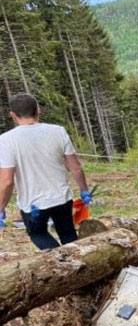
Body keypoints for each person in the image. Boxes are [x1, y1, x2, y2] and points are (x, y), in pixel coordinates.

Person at [0, 94, 92, 250]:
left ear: (12, 115)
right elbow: (75, 167)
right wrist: (84, 191)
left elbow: (7, 180)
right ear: (38, 110)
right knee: (68, 233)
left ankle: (61, 262)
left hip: (33, 205)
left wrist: (1, 207)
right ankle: (77, 262)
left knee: (39, 235)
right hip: (61, 198)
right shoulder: (58, 131)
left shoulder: (6, 140)